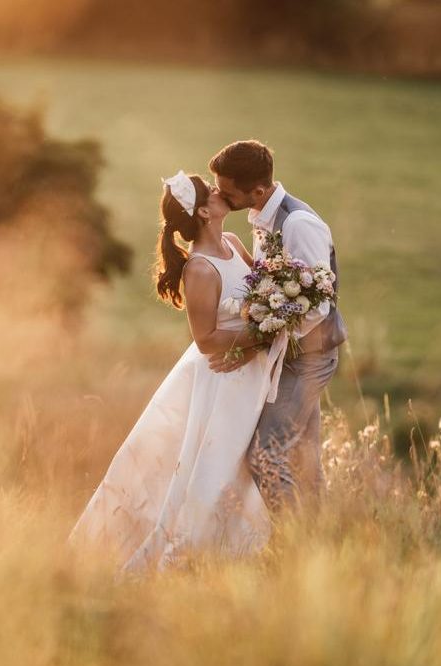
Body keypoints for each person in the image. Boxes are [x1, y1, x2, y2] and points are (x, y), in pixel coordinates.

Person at [67, 170, 284, 575]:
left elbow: (267, 293)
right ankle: (200, 556)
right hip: (223, 379)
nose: (221, 192)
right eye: (212, 192)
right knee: (220, 463)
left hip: (250, 368)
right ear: (204, 211)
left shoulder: (234, 244)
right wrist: (260, 339)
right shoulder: (199, 270)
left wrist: (288, 303)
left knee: (248, 460)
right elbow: (205, 340)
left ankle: (246, 555)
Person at [209, 140, 347, 511]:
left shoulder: (298, 224)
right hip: (288, 355)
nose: (221, 197)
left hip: (309, 358)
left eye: (227, 191)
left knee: (266, 456)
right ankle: (320, 545)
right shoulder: (261, 219)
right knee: (305, 461)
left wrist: (252, 344)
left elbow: (314, 305)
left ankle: (294, 543)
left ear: (257, 190)